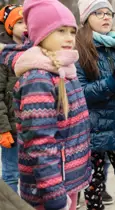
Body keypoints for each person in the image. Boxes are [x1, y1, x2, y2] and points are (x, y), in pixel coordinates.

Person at [8, 0, 92, 209]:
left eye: (72, 32)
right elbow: (40, 143)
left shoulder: (65, 69)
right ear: (41, 34)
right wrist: (55, 196)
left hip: (67, 181)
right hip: (50, 190)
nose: (69, 38)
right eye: (60, 31)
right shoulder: (39, 78)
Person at [76, 0, 115, 209]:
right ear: (86, 19)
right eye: (99, 13)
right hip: (92, 131)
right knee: (94, 189)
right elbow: (81, 93)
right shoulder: (80, 50)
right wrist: (111, 84)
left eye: (109, 13)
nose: (106, 17)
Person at [0, 4, 26, 193]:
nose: (25, 25)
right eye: (19, 22)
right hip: (12, 128)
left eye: (27, 21)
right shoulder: (3, 56)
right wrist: (3, 129)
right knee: (11, 173)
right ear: (10, 27)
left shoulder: (35, 51)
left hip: (33, 126)